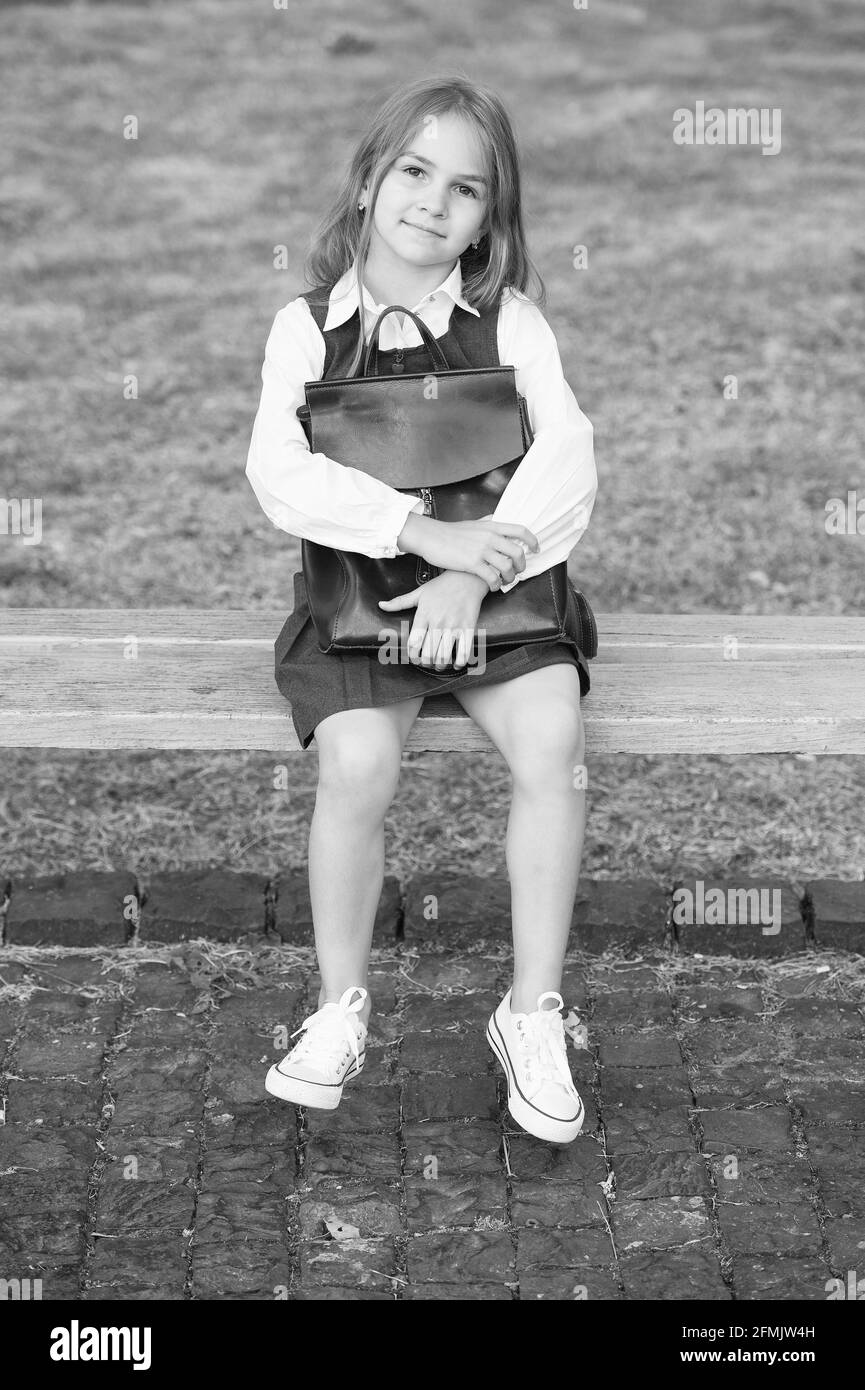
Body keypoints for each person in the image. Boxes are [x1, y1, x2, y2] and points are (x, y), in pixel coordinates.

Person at [245, 75, 598, 1144]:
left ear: (492, 218)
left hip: (501, 596)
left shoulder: (512, 325)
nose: (432, 203)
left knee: (552, 741)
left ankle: (530, 1009)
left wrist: (472, 572)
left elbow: (568, 461)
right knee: (357, 761)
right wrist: (420, 537)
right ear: (366, 181)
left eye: (465, 189)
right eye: (412, 172)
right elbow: (279, 473)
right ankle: (340, 1004)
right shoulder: (307, 329)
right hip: (364, 603)